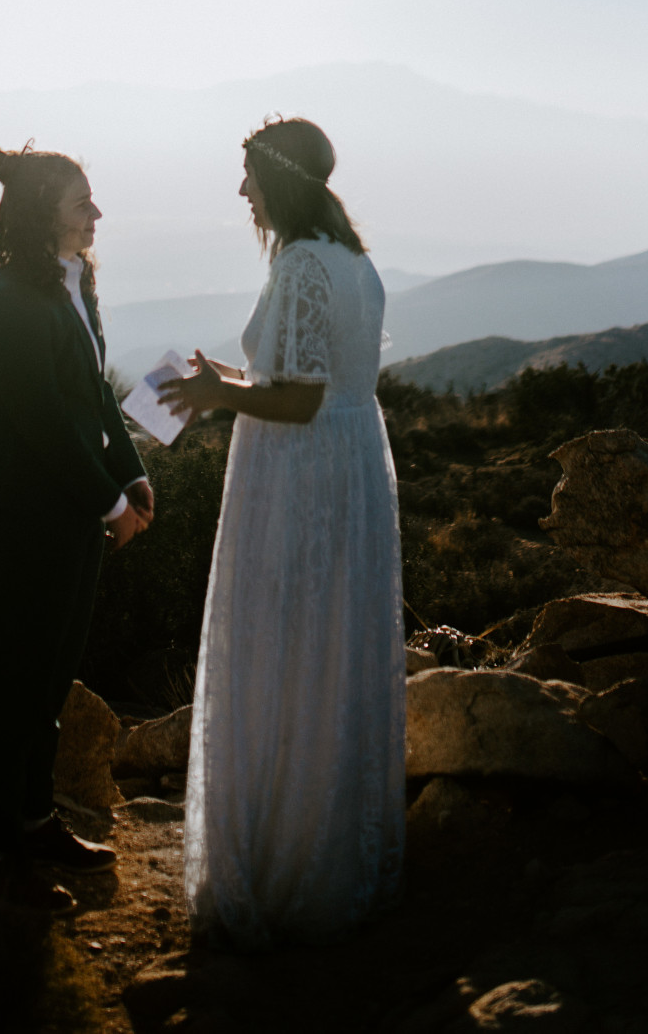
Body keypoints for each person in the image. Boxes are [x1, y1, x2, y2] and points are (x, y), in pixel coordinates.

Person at [161, 116, 405, 949]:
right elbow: (314, 381)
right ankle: (325, 840)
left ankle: (283, 858)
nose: (241, 192)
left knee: (282, 649)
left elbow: (297, 401)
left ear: (278, 178)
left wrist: (217, 399)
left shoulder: (302, 263)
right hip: (347, 465)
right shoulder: (351, 258)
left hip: (299, 478)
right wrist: (226, 379)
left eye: (248, 175)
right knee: (326, 649)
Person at [0, 143, 153, 906]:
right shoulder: (9, 305)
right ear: (43, 214)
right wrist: (110, 503)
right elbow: (41, 422)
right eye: (81, 204)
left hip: (69, 498)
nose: (97, 214)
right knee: (13, 677)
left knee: (50, 674)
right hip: (18, 507)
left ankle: (34, 821)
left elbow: (93, 394)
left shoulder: (75, 282)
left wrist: (130, 468)